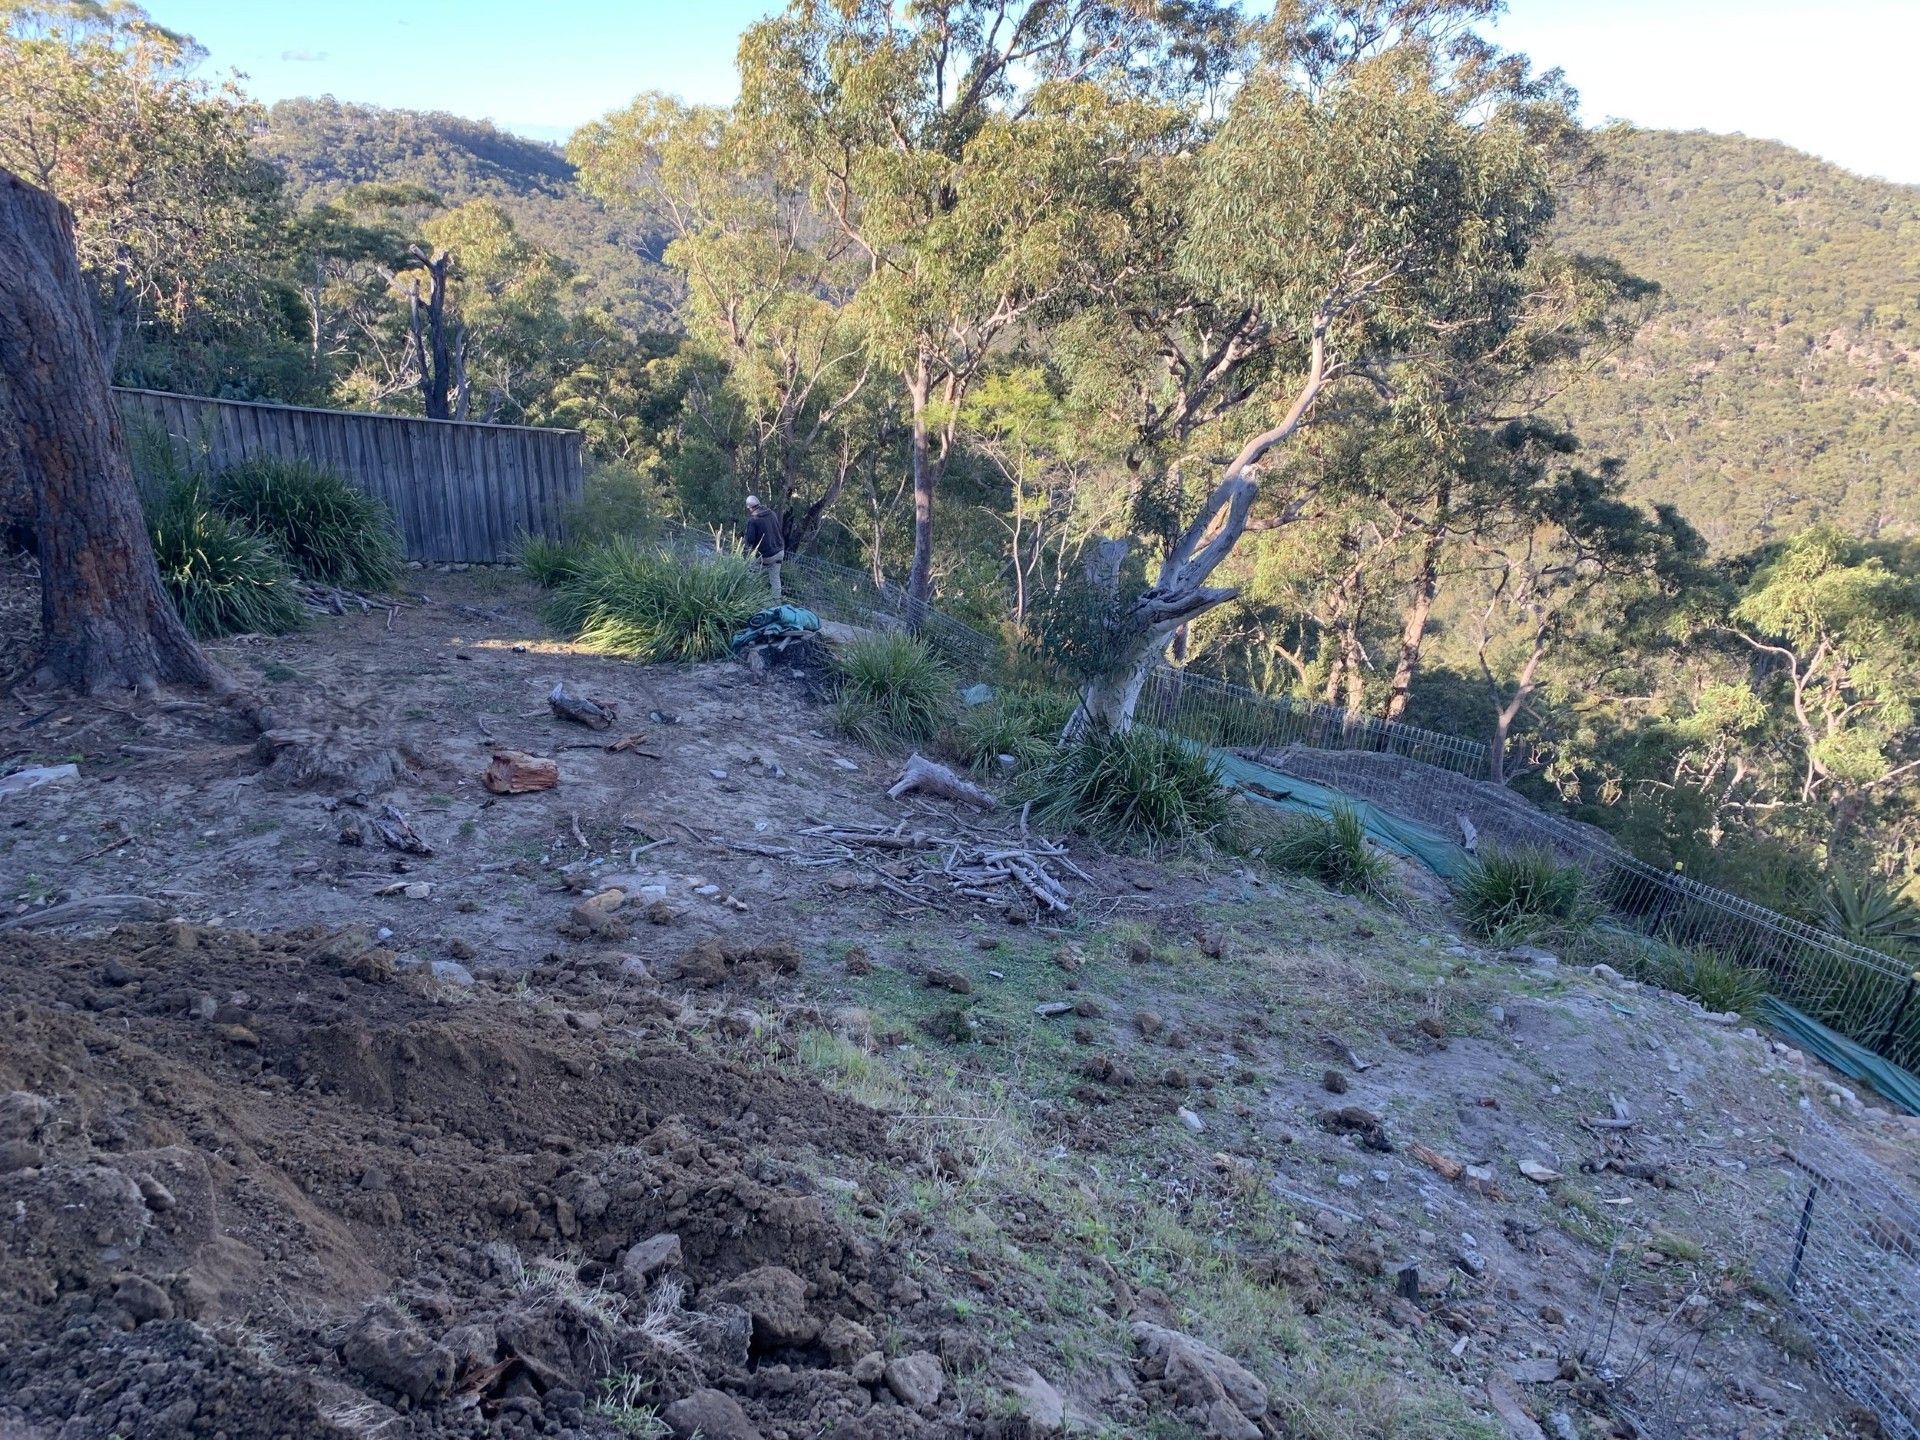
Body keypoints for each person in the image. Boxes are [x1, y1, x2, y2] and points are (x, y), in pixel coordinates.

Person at [743, 495, 786, 601]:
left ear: (750, 507)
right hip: (780, 551)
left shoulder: (753, 520)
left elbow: (750, 541)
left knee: (751, 573)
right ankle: (777, 605)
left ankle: (750, 600)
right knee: (775, 578)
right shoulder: (772, 513)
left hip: (766, 555)